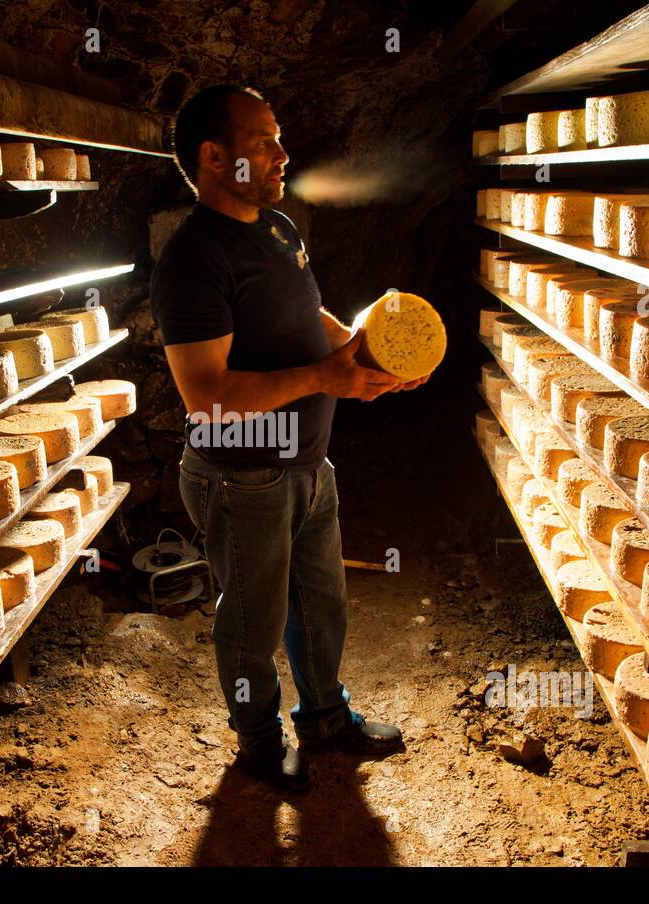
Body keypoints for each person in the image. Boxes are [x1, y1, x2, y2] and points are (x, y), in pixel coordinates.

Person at [150, 84, 430, 792]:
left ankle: (326, 719)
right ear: (215, 158)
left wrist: (369, 354)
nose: (283, 153)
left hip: (306, 463)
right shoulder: (193, 261)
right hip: (242, 477)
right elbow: (208, 396)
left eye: (279, 138)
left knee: (320, 602)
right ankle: (258, 741)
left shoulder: (277, 229)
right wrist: (324, 379)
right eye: (263, 141)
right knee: (252, 619)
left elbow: (312, 318)